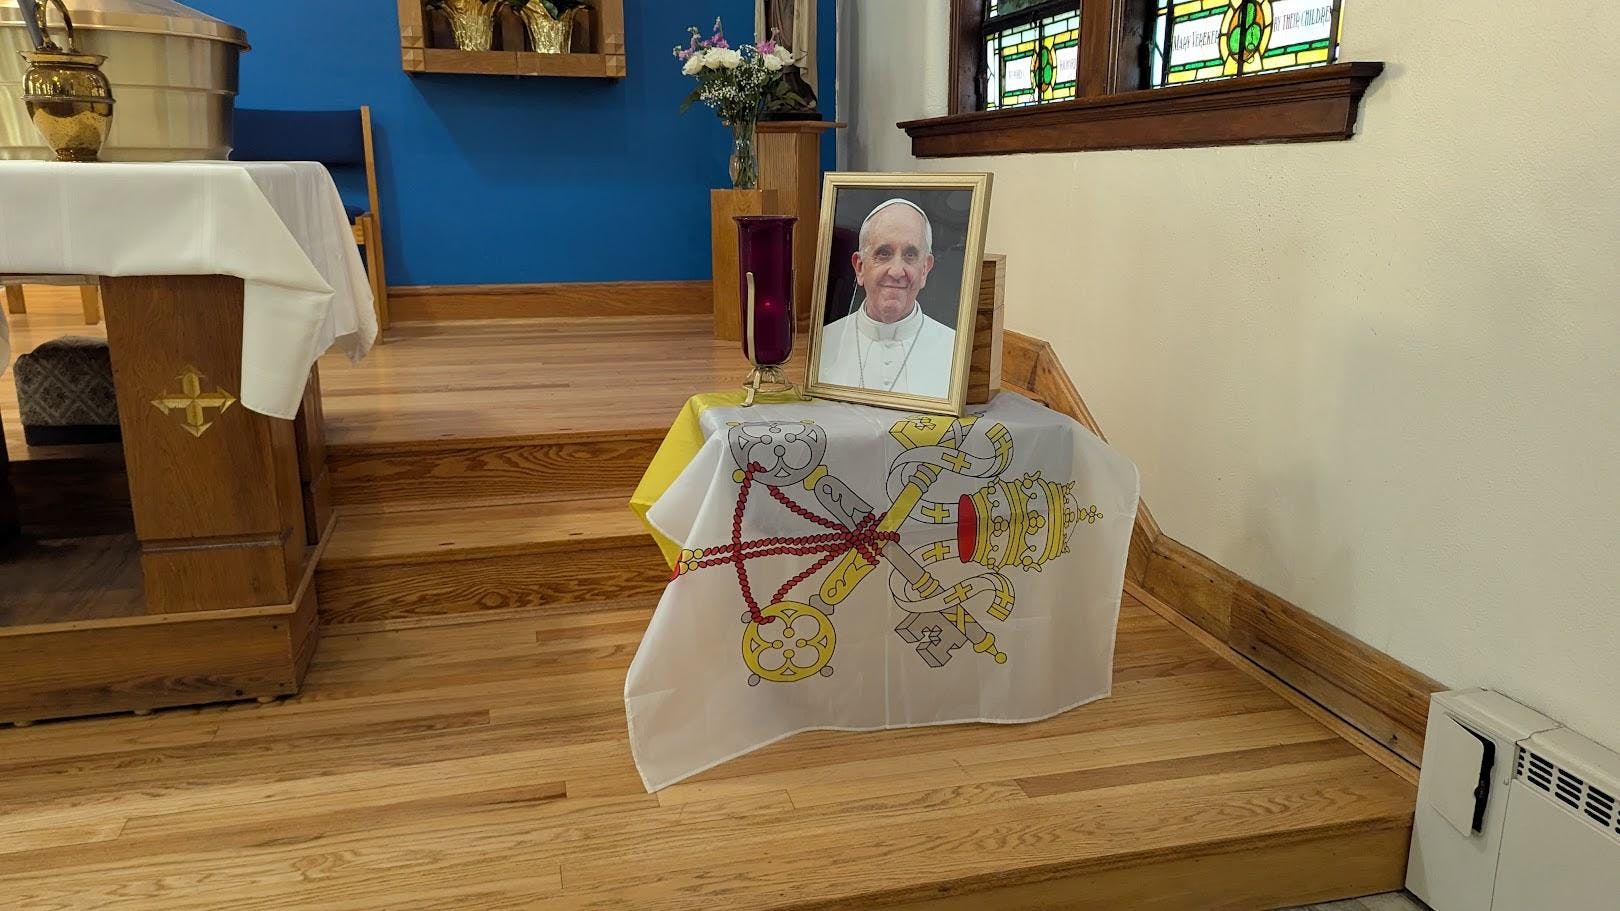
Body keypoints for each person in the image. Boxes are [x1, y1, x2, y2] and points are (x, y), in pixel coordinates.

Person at [818, 199, 956, 398]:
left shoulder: (955, 351)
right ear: (860, 267)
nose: (897, 271)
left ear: (925, 269)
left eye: (910, 255)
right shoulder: (823, 344)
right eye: (883, 254)